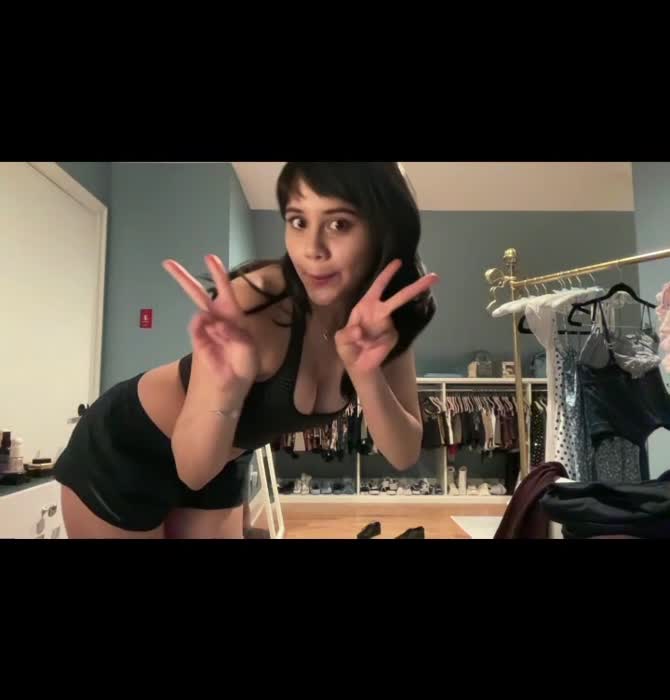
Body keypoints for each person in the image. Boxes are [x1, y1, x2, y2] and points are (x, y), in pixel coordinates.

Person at [54, 162, 439, 539]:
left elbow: (404, 452)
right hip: (129, 447)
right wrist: (229, 387)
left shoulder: (383, 321)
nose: (311, 249)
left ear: (384, 228)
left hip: (224, 459)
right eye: (298, 221)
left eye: (339, 223)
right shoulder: (258, 303)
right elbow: (193, 470)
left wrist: (366, 374)